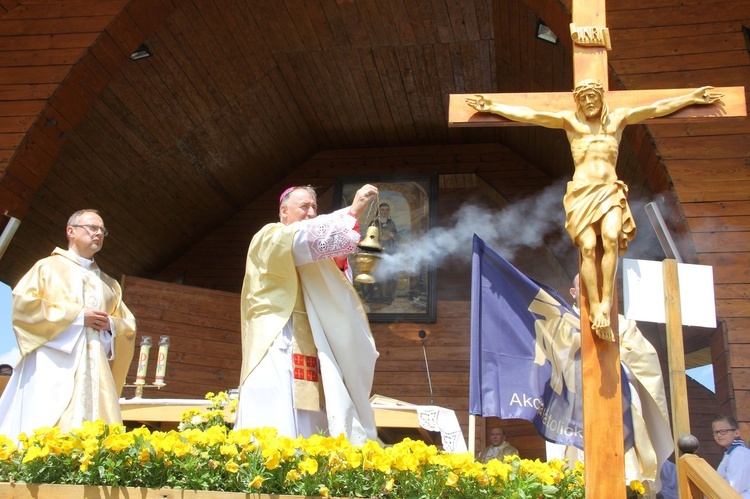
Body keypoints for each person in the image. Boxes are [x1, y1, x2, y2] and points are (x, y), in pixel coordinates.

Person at [466, 82, 723, 340]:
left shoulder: (618, 120)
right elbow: (531, 115)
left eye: (593, 97)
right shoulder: (571, 123)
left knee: (611, 239)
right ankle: (593, 306)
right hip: (581, 194)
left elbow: (656, 108)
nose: (589, 102)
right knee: (587, 248)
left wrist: (692, 97)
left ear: (601, 98)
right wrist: (493, 106)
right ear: (578, 102)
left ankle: (604, 305)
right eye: (584, 98)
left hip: (609, 190)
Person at [235, 184, 380, 445]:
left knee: (309, 416)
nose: (311, 212)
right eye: (304, 206)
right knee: (274, 409)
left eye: (314, 207)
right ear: (284, 211)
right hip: (275, 337)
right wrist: (353, 210)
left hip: (306, 341)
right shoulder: (270, 235)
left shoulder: (307, 250)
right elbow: (304, 240)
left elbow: (334, 276)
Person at [0, 209, 137, 442]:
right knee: (42, 428)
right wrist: (75, 316)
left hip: (95, 368)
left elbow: (128, 325)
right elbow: (24, 307)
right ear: (70, 231)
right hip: (51, 363)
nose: (98, 234)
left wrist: (110, 325)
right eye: (92, 228)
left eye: (102, 230)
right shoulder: (47, 268)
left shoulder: (109, 284)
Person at [546, 274, 673, 495]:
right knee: (574, 470)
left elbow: (643, 360)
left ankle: (627, 486)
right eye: (583, 287)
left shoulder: (622, 323)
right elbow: (551, 362)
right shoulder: (561, 323)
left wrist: (603, 364)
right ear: (573, 293)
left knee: (623, 468)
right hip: (574, 402)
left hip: (616, 398)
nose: (592, 292)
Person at [369, 202, 400, 304]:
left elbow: (397, 237)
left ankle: (388, 298)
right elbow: (369, 238)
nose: (384, 212)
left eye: (387, 210)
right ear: (379, 211)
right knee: (379, 275)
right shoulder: (374, 223)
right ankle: (377, 297)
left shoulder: (391, 223)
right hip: (378, 253)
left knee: (390, 275)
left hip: (390, 253)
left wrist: (392, 235)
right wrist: (379, 238)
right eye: (382, 210)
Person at [712, 414, 750, 497]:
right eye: (716, 432)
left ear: (736, 433)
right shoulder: (731, 453)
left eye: (723, 431)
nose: (719, 435)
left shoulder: (740, 453)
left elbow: (735, 486)